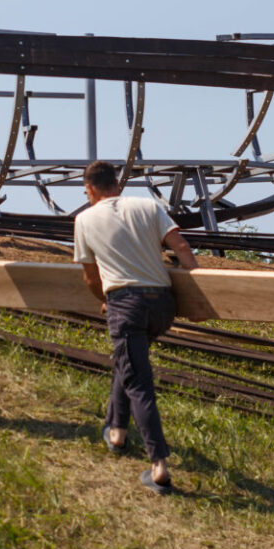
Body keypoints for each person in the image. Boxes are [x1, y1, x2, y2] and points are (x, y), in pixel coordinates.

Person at [72, 160, 198, 490]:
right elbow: (181, 248)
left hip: (127, 305)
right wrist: (199, 288)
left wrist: (106, 297)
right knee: (128, 361)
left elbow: (89, 276)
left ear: (90, 190)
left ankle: (159, 466)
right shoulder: (148, 205)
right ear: (117, 184)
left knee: (139, 382)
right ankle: (117, 432)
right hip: (162, 305)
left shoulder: (84, 219)